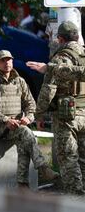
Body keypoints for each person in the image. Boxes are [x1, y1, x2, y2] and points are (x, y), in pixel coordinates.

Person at [0, 50, 59, 188]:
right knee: (25, 133)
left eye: (9, 60)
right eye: (3, 60)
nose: (7, 63)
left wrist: (29, 117)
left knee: (24, 143)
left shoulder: (20, 81)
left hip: (16, 125)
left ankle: (22, 185)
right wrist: (6, 120)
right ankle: (42, 168)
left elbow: (30, 103)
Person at [26, 21, 85, 194]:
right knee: (83, 157)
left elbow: (48, 90)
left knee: (68, 158)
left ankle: (76, 198)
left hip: (67, 116)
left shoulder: (61, 58)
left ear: (60, 39)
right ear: (76, 36)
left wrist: (37, 114)